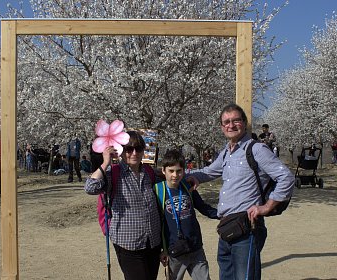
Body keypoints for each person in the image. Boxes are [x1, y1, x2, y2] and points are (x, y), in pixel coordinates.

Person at [187, 103, 295, 280]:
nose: (231, 125)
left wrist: (266, 207)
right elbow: (207, 172)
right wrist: (174, 175)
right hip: (226, 228)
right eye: (226, 122)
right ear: (222, 127)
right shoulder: (226, 153)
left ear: (244, 123)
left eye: (236, 120)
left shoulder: (257, 149)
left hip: (247, 228)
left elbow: (286, 178)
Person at [84, 131, 161, 280]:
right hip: (128, 243)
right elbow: (90, 187)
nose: (134, 153)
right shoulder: (113, 173)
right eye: (128, 149)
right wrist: (105, 162)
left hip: (153, 242)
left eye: (138, 149)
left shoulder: (149, 172)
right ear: (121, 151)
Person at [156, 149, 218, 280]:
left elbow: (203, 208)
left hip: (195, 247)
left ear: (184, 171)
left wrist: (223, 214)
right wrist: (162, 250)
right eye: (171, 171)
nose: (175, 175)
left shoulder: (187, 186)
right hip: (174, 251)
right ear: (163, 171)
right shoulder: (157, 190)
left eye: (179, 171)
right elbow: (156, 224)